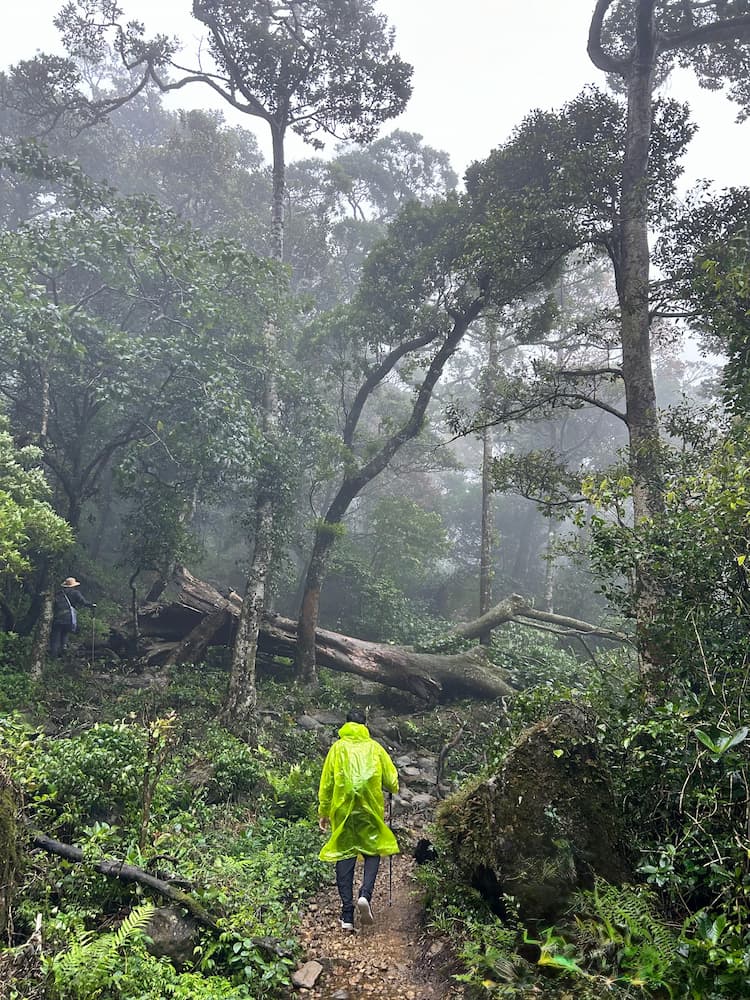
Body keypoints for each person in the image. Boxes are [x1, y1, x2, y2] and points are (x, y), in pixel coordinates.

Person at [317, 709, 399, 931]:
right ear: (365, 725)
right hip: (369, 808)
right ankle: (365, 895)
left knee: (345, 854)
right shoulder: (375, 748)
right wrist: (392, 787)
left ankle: (347, 916)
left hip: (343, 809)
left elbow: (327, 783)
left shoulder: (337, 749)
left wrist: (323, 811)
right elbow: (392, 781)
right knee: (372, 850)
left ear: (346, 724)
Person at [49, 577, 94, 658]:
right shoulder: (75, 593)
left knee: (55, 638)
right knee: (65, 634)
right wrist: (91, 605)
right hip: (68, 618)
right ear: (73, 585)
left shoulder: (59, 593)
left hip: (58, 618)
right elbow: (83, 602)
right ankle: (63, 653)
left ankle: (53, 657)